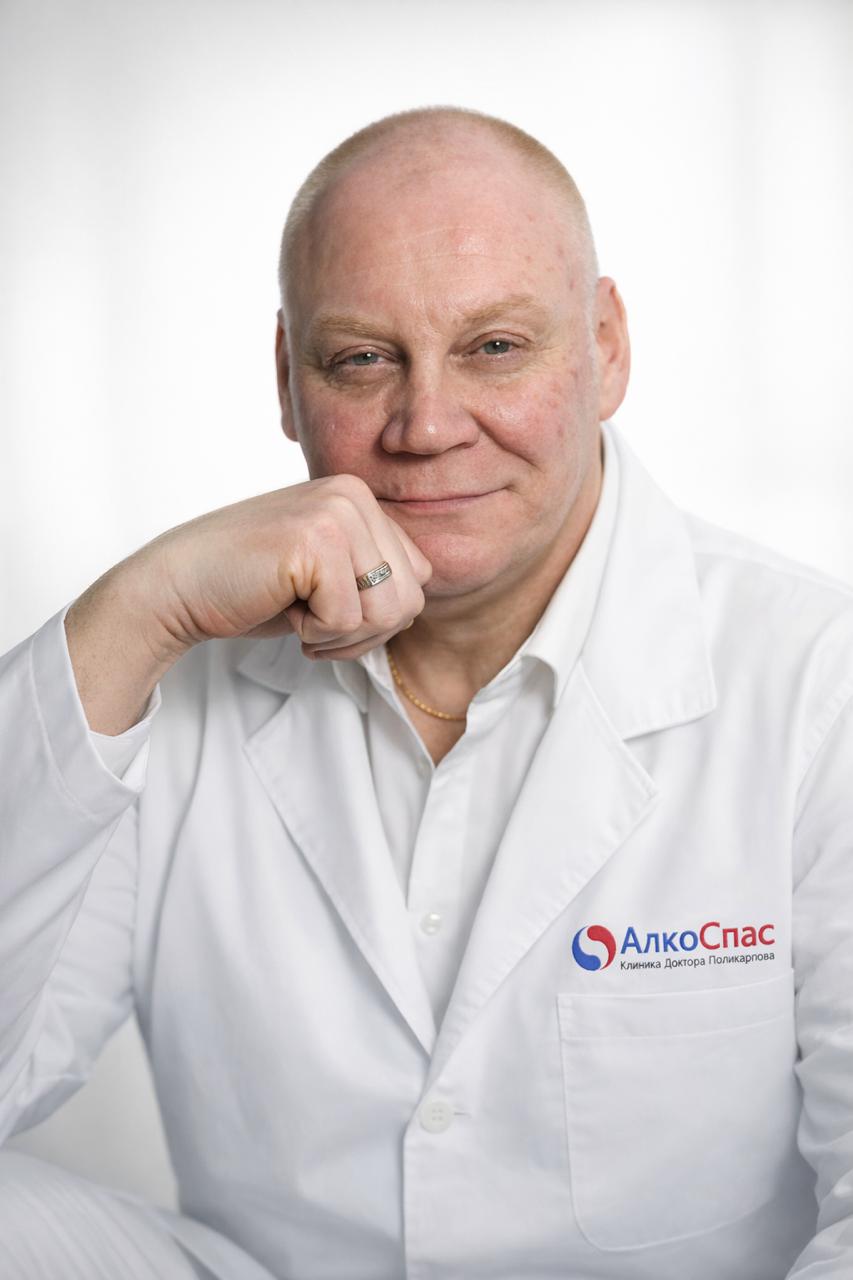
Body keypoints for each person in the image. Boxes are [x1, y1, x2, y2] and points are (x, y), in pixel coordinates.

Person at [0, 104, 851, 1280]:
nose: (428, 425)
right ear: (288, 381)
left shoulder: (816, 681)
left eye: (494, 346)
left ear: (605, 348)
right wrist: (135, 607)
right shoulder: (174, 677)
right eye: (362, 358)